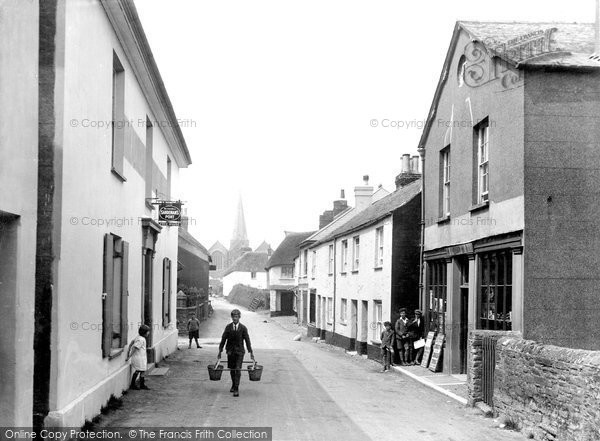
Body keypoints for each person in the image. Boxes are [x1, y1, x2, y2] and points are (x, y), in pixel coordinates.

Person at [218, 309, 254, 397]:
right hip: (230, 352)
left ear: (239, 317)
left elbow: (247, 340)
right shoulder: (228, 327)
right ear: (232, 317)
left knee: (238, 369)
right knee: (232, 369)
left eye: (237, 317)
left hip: (240, 352)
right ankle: (233, 384)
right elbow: (223, 339)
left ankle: (236, 388)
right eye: (234, 317)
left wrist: (251, 352)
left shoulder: (243, 328)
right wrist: (220, 350)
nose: (235, 319)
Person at [126, 324, 151, 390]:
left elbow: (132, 342)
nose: (149, 333)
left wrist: (129, 349)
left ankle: (142, 385)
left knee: (142, 371)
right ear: (144, 332)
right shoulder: (141, 340)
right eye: (148, 332)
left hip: (141, 357)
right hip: (139, 358)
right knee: (138, 370)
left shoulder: (139, 337)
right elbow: (135, 348)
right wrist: (129, 356)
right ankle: (133, 384)